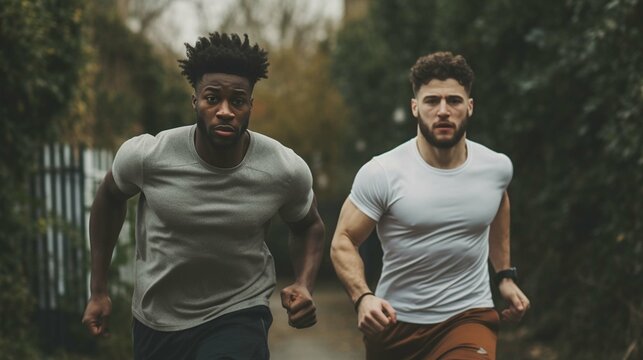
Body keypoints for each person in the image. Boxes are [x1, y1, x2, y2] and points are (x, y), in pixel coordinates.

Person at [81, 32, 325, 359]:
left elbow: (309, 225)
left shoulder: (282, 168)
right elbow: (110, 197)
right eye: (212, 98)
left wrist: (304, 283)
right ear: (195, 100)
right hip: (157, 319)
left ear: (250, 105)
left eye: (237, 101)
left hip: (239, 311)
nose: (225, 110)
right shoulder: (149, 156)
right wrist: (98, 290)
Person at [330, 51, 530, 360]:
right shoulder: (382, 173)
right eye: (431, 100)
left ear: (470, 107)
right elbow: (343, 241)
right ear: (415, 107)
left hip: (469, 317)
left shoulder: (496, 168)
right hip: (395, 323)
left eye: (454, 100)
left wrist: (504, 275)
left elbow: (498, 205)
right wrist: (363, 298)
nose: (443, 111)